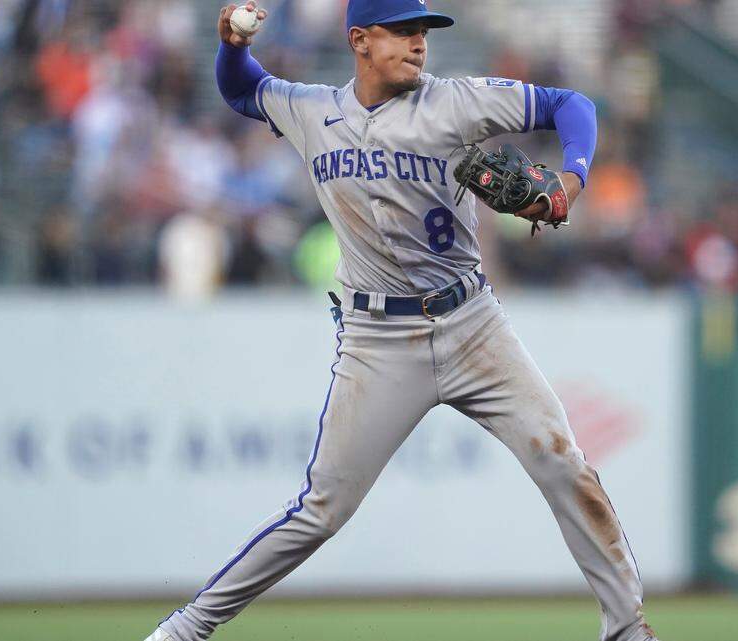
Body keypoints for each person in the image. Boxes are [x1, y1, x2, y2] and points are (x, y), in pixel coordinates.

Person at [146, 2, 658, 640]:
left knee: (562, 461)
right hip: (377, 342)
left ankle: (626, 630)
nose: (420, 43)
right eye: (405, 31)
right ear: (361, 41)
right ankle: (185, 630)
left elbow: (571, 104)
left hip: (473, 325)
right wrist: (228, 46)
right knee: (321, 512)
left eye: (425, 32)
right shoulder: (313, 111)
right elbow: (240, 88)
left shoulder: (458, 103)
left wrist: (572, 180)